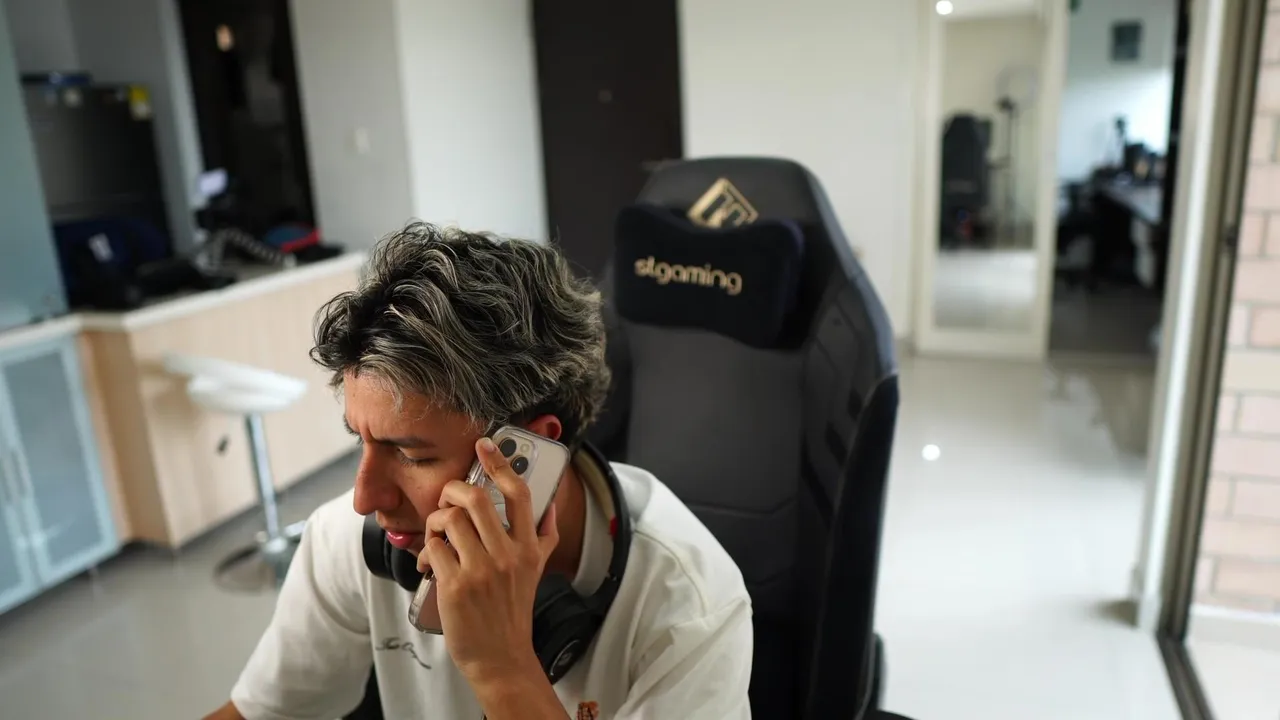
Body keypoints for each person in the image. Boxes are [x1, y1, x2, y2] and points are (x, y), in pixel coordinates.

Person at [205, 223, 753, 720]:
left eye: (412, 455)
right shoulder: (350, 541)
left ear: (530, 450)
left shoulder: (691, 604)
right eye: (361, 440)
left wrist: (503, 668)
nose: (364, 499)